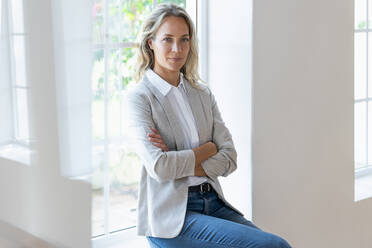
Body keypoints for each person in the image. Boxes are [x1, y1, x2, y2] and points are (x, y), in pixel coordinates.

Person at [125, 3, 292, 248]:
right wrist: (205, 151)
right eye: (167, 40)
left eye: (184, 40)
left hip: (212, 202)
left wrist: (177, 159)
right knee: (271, 247)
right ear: (151, 42)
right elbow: (160, 167)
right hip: (172, 219)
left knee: (280, 245)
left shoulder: (201, 93)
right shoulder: (140, 98)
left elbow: (229, 158)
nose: (177, 49)